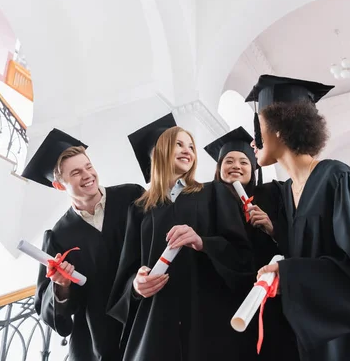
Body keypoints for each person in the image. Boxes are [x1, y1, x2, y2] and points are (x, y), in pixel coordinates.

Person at [248, 74, 350, 361]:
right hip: (322, 343)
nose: (253, 141)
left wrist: (290, 276)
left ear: (281, 129)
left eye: (258, 128)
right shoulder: (289, 193)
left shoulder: (338, 179)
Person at [107, 114, 254, 361]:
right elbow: (127, 270)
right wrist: (136, 285)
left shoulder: (213, 192)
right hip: (156, 323)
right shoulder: (140, 209)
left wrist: (203, 242)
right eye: (179, 144)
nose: (188, 151)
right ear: (160, 150)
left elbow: (242, 256)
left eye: (191, 146)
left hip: (205, 320)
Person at [22, 128, 144, 361]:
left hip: (146, 314)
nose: (88, 175)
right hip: (102, 338)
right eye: (76, 172)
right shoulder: (59, 236)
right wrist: (62, 286)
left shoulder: (132, 197)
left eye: (88, 167)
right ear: (60, 186)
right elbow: (48, 309)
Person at [204, 126, 299, 360]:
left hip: (270, 296)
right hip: (224, 297)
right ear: (219, 168)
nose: (236, 166)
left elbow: (298, 238)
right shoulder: (206, 199)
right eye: (229, 161)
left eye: (244, 162)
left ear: (254, 169)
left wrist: (271, 227)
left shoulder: (273, 193)